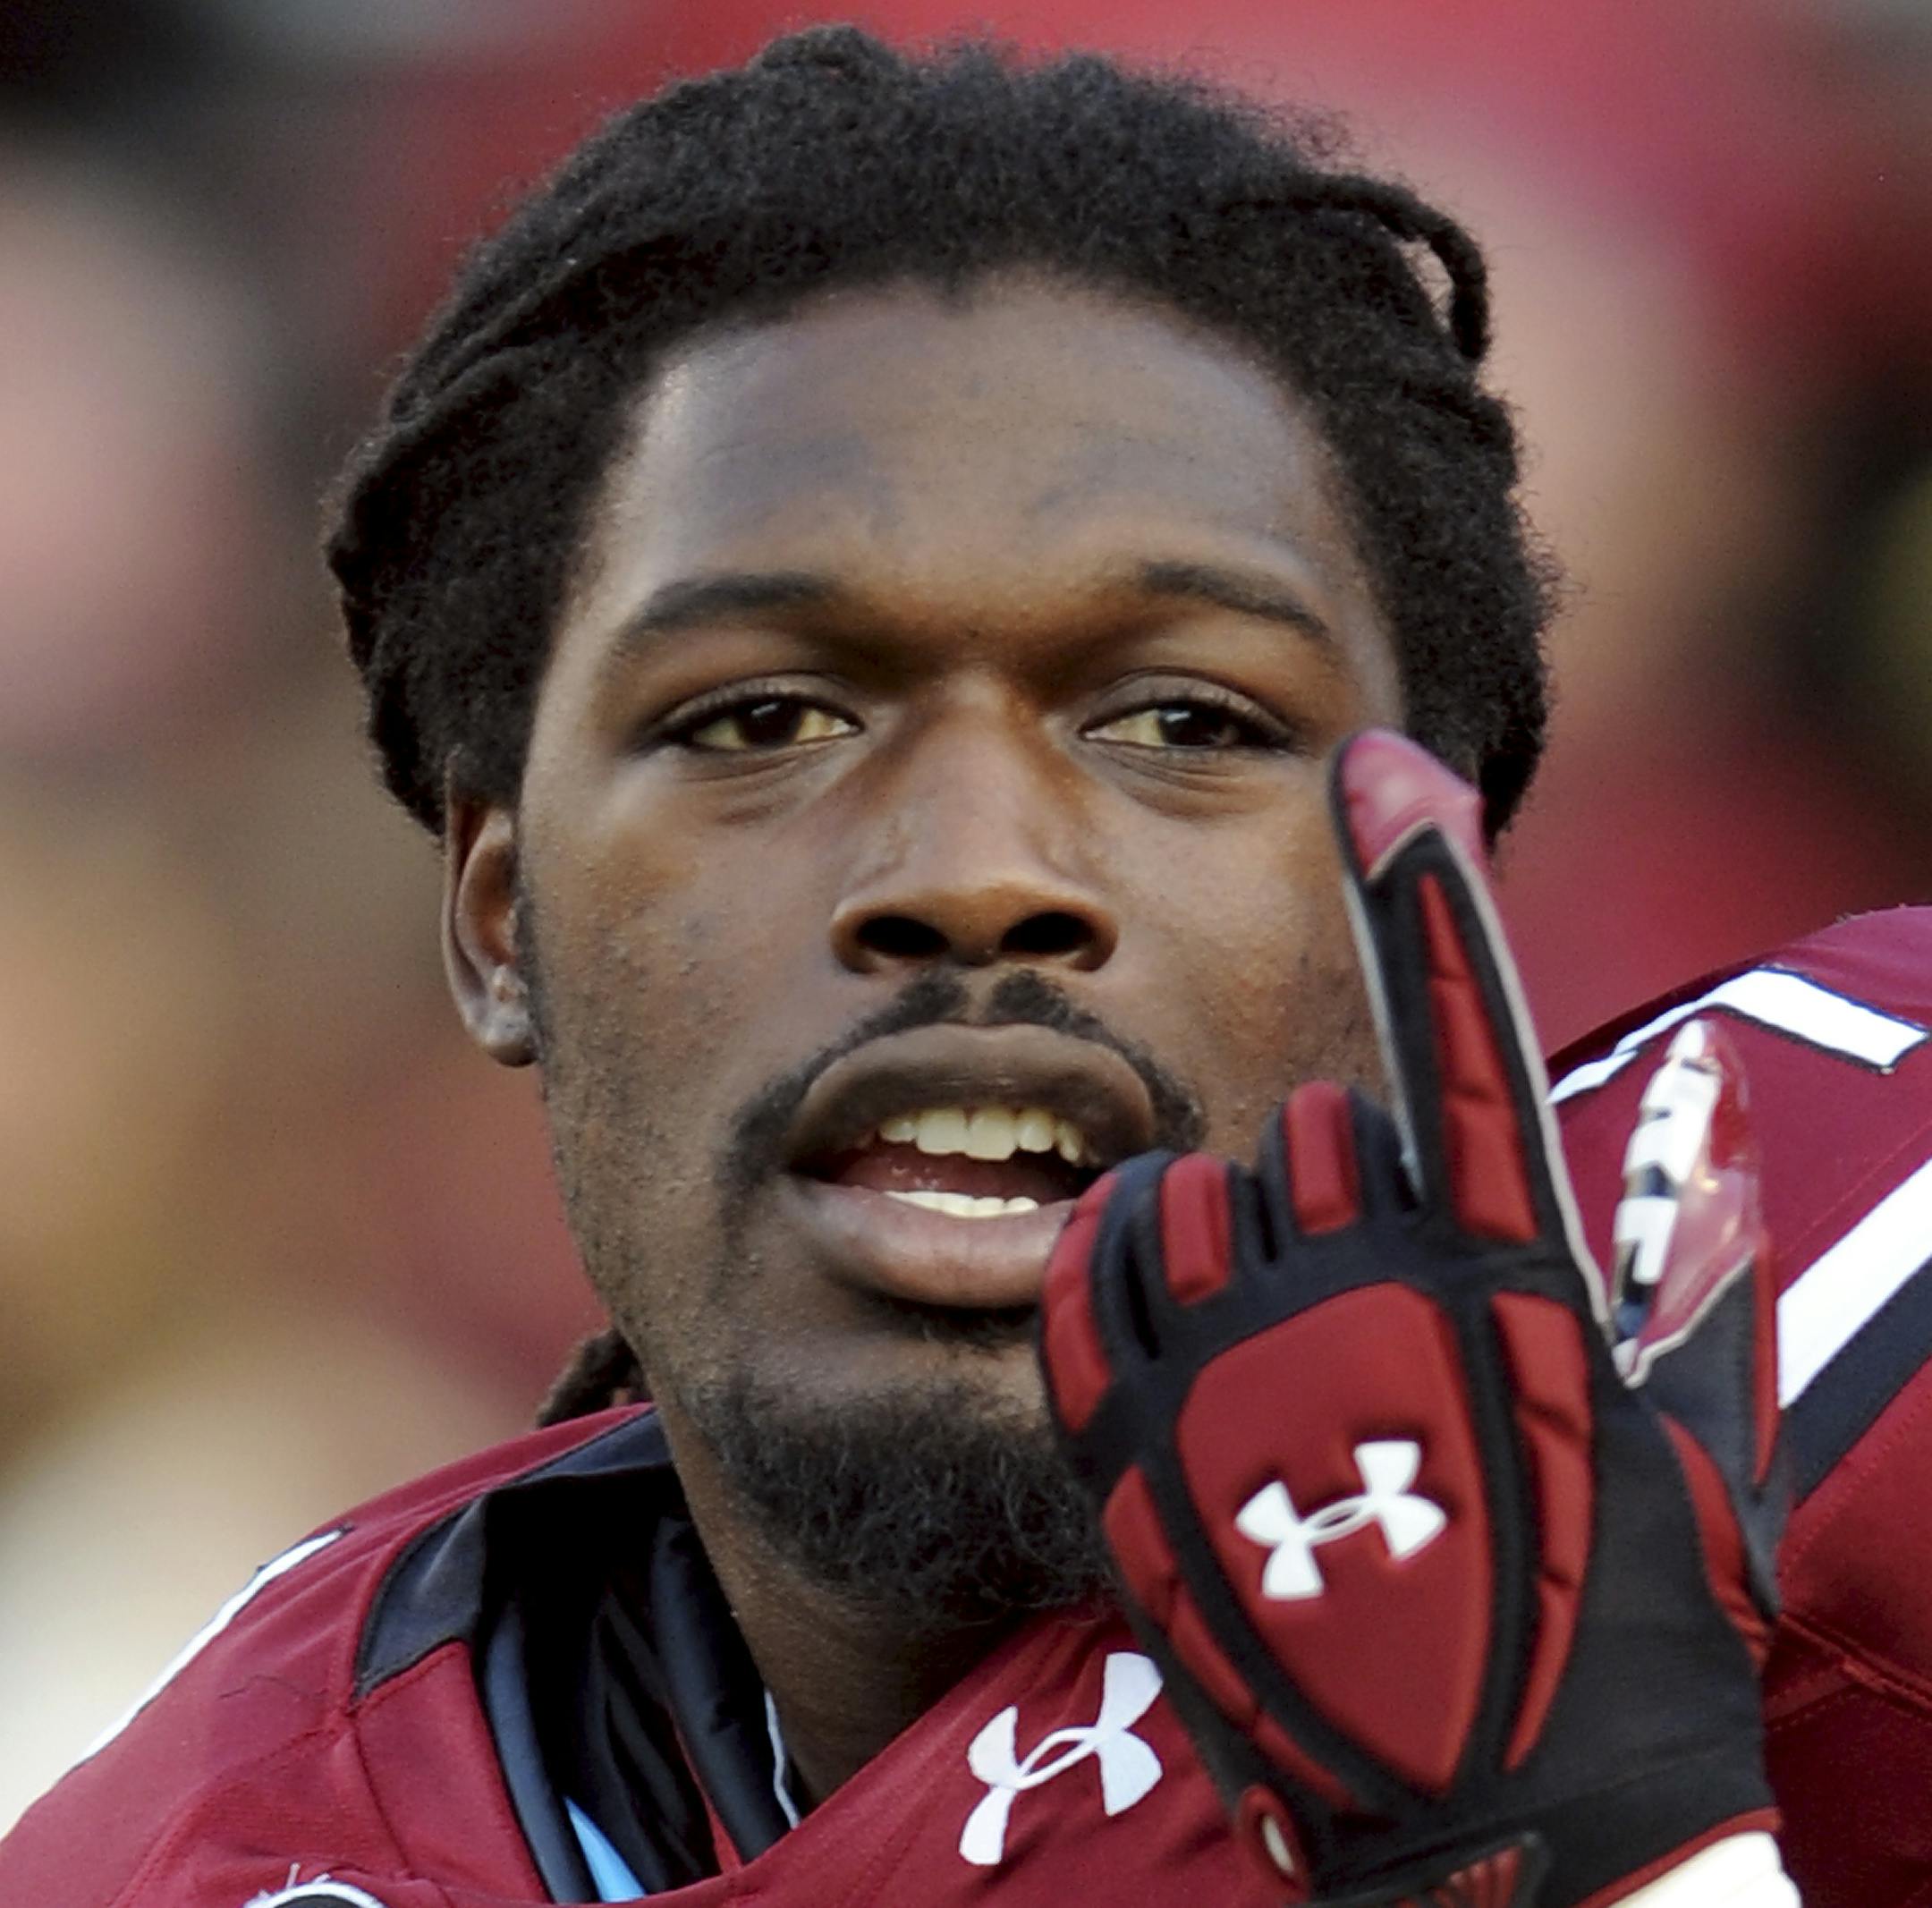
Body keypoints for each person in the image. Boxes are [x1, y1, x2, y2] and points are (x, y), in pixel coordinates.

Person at [2, 27, 1917, 1904]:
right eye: (761, 718)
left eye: (1181, 717)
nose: (976, 873)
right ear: (503, 919)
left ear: (1441, 899)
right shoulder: (196, 1851)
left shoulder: (1860, 1314)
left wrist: (1631, 1848)